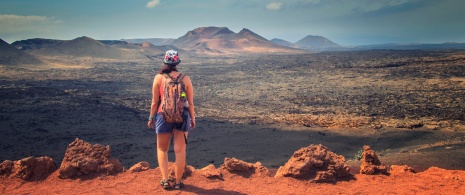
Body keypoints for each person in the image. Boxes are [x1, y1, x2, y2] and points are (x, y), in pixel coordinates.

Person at [147, 50, 196, 190]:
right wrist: (192, 118)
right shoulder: (185, 78)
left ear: (165, 62)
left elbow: (154, 102)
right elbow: (190, 103)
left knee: (162, 148)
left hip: (163, 116)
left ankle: (165, 180)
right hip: (182, 117)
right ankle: (178, 183)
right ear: (177, 62)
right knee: (180, 150)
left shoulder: (158, 78)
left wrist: (151, 117)